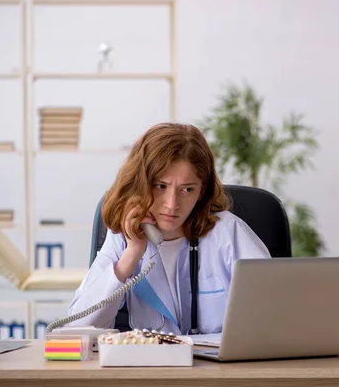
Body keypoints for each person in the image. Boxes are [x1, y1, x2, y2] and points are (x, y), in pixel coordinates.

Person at [67, 122, 271, 335]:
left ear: (202, 191)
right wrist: (132, 254)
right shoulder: (122, 238)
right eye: (160, 186)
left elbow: (276, 314)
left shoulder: (228, 233)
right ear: (140, 183)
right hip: (154, 366)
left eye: (187, 189)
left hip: (219, 368)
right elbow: (79, 328)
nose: (172, 204)